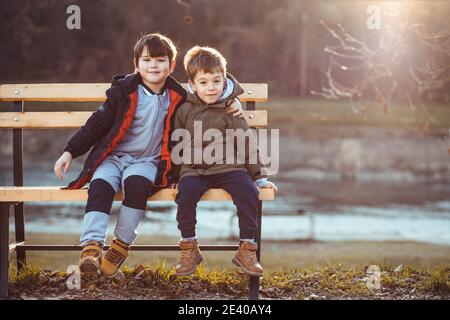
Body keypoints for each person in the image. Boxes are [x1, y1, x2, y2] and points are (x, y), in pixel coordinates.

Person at [53, 34, 243, 277]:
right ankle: (91, 247)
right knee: (100, 185)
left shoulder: (179, 95)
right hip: (113, 158)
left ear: (171, 66)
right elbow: (96, 124)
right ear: (136, 64)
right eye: (147, 59)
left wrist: (233, 100)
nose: (153, 65)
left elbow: (211, 87)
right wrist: (70, 152)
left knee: (136, 186)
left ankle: (120, 245)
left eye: (160, 60)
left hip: (147, 162)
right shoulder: (123, 92)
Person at [171, 46, 278, 277]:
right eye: (204, 82)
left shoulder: (230, 108)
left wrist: (259, 178)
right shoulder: (185, 109)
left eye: (216, 81)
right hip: (194, 169)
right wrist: (173, 175)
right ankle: (189, 248)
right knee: (185, 196)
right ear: (192, 84)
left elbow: (246, 142)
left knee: (247, 193)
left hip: (229, 167)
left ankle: (246, 249)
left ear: (224, 79)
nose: (211, 87)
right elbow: (174, 143)